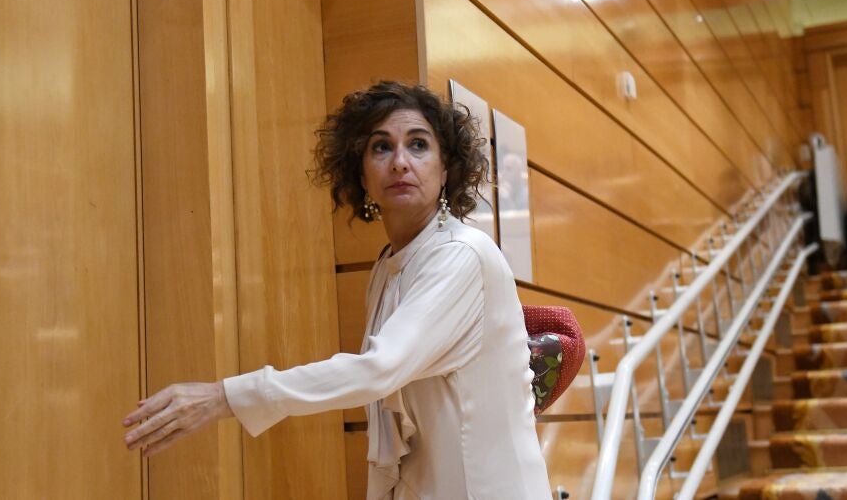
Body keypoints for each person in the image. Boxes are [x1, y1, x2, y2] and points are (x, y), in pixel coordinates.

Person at [123, 81, 552, 499]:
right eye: (381, 147)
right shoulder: (389, 265)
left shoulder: (461, 254)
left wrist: (225, 397)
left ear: (446, 169)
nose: (400, 162)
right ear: (361, 174)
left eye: (418, 145)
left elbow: (378, 371)